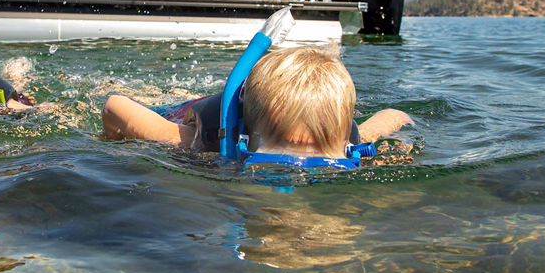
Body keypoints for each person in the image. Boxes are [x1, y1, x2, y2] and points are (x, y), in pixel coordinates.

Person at [101, 45, 412, 163]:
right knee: (161, 100)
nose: (298, 170)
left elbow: (394, 115)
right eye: (277, 158)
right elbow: (115, 105)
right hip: (189, 113)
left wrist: (397, 151)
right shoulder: (200, 142)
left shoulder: (347, 141)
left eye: (318, 158)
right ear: (244, 140)